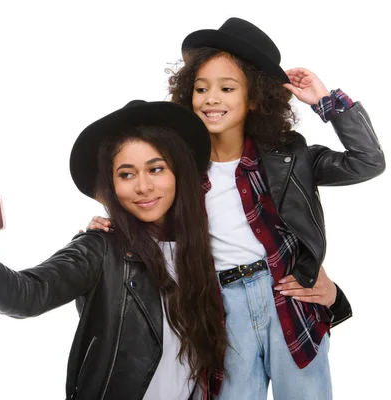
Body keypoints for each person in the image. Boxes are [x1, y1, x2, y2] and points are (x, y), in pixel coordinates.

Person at [86, 17, 385, 400]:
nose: (211, 99)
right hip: (223, 312)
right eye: (201, 88)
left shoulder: (288, 157)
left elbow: (368, 161)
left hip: (288, 301)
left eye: (227, 88)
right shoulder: (181, 173)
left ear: (255, 97)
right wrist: (109, 227)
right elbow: (147, 214)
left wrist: (326, 102)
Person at [0, 100, 229, 400]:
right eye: (126, 174)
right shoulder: (101, 247)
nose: (143, 186)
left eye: (156, 169)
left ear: (178, 173)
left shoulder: (204, 250)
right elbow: (26, 295)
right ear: (111, 185)